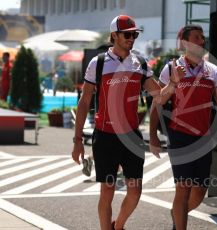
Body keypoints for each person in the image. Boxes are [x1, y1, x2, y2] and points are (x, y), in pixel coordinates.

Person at [71, 15, 161, 230]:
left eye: (135, 34)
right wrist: (77, 140)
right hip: (105, 134)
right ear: (114, 35)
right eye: (128, 34)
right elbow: (84, 102)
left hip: (131, 135)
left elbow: (158, 94)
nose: (132, 38)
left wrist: (175, 83)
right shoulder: (98, 63)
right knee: (108, 190)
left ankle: (118, 225)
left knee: (135, 190)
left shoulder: (139, 62)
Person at [149, 25, 217, 230]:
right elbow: (159, 101)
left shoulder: (212, 70)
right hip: (179, 135)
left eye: (202, 38)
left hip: (203, 138)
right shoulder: (171, 68)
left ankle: (177, 213)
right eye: (197, 37)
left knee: (199, 192)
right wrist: (153, 133)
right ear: (185, 42)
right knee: (183, 189)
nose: (201, 41)